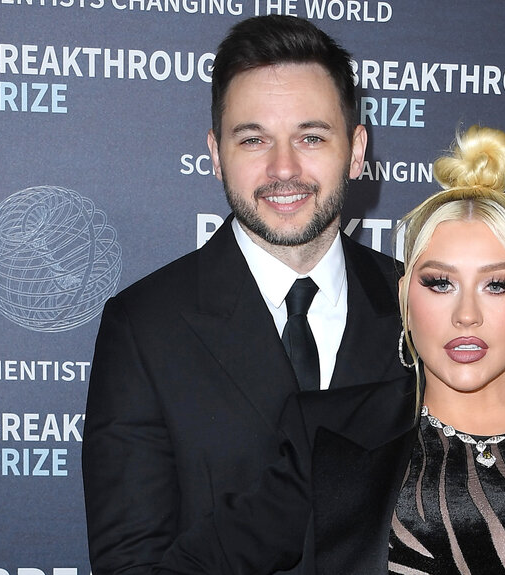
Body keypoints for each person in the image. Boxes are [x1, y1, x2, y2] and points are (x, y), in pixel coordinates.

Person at [152, 125, 505, 574]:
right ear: (405, 298)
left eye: (497, 285)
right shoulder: (327, 438)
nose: (466, 314)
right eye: (439, 283)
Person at [81, 15, 409, 575]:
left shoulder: (422, 308)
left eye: (311, 137)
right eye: (254, 139)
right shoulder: (144, 327)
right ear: (215, 153)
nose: (284, 169)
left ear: (356, 150)